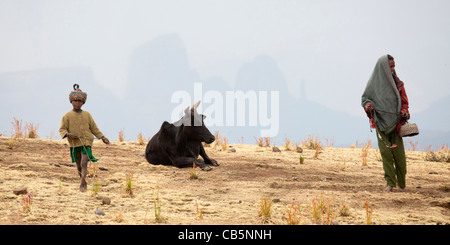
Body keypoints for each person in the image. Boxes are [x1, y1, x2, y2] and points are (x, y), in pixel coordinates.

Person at [361, 55, 410, 192]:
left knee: (399, 155)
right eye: (390, 67)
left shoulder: (398, 84)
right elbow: (365, 99)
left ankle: (402, 184)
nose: (393, 69)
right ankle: (390, 183)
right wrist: (369, 106)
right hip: (380, 123)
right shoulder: (373, 84)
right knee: (386, 154)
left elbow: (404, 102)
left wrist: (404, 111)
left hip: (396, 123)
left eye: (394, 66)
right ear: (383, 68)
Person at [59, 84, 110, 192]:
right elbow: (62, 129)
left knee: (84, 162)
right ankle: (82, 178)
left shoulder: (87, 115)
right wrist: (68, 134)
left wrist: (102, 137)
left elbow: (94, 128)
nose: (77, 103)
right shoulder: (67, 116)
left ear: (83, 102)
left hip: (86, 141)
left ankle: (83, 181)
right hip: (74, 143)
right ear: (71, 102)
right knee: (78, 165)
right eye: (75, 101)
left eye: (80, 101)